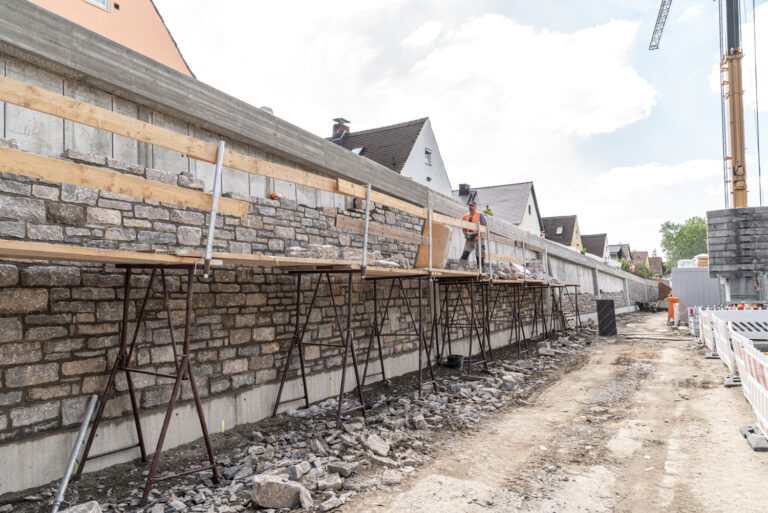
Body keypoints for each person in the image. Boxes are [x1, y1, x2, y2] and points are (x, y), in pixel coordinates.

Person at [459, 201, 486, 270]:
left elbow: (484, 227)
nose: (470, 207)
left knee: (479, 255)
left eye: (472, 206)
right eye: (469, 205)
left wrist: (476, 234)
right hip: (469, 240)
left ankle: (481, 270)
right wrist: (466, 234)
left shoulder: (479, 215)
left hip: (478, 239)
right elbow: (463, 228)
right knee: (465, 253)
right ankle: (461, 268)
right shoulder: (465, 216)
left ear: (475, 206)